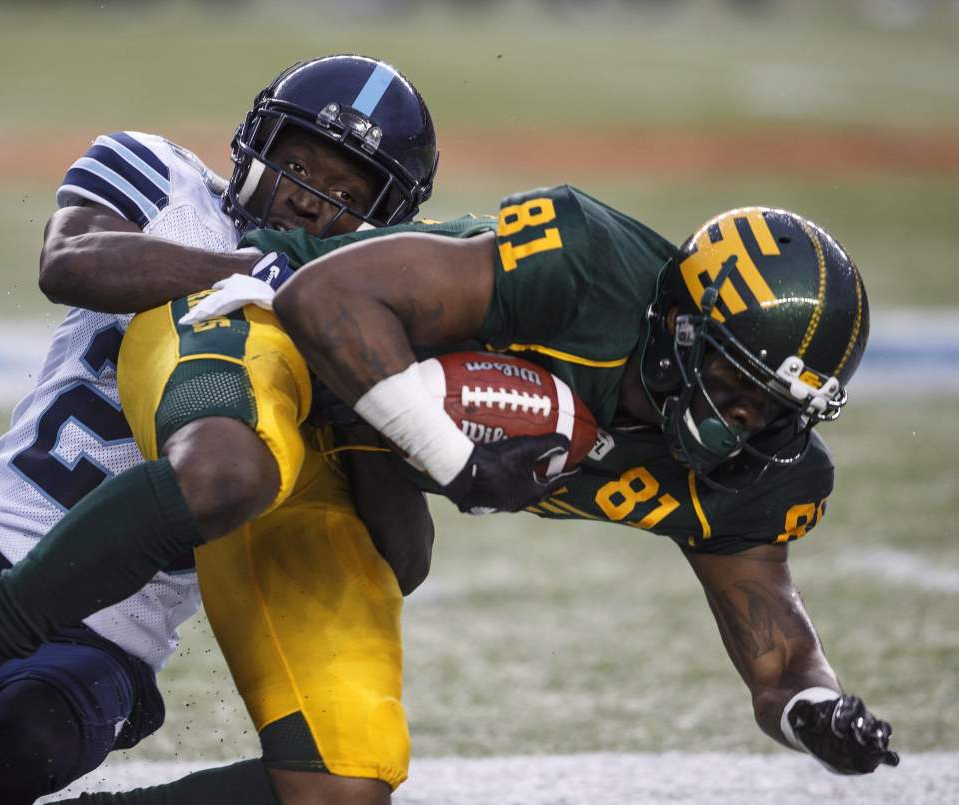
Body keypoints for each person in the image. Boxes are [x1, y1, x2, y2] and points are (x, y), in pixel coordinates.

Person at [0, 54, 438, 805]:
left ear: (383, 223)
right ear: (257, 145)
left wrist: (367, 388)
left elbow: (402, 559)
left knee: (31, 736)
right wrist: (250, 269)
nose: (312, 203)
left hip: (106, 633)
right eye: (298, 165)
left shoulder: (351, 327)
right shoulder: (165, 182)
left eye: (348, 193)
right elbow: (69, 260)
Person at [252, 186, 900, 776]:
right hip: (271, 322)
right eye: (739, 382)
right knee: (230, 479)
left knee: (354, 742)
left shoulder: (757, 477)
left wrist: (816, 710)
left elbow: (781, 657)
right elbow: (322, 296)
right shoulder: (584, 275)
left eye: (779, 408)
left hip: (352, 442)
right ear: (683, 328)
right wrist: (455, 460)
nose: (748, 419)